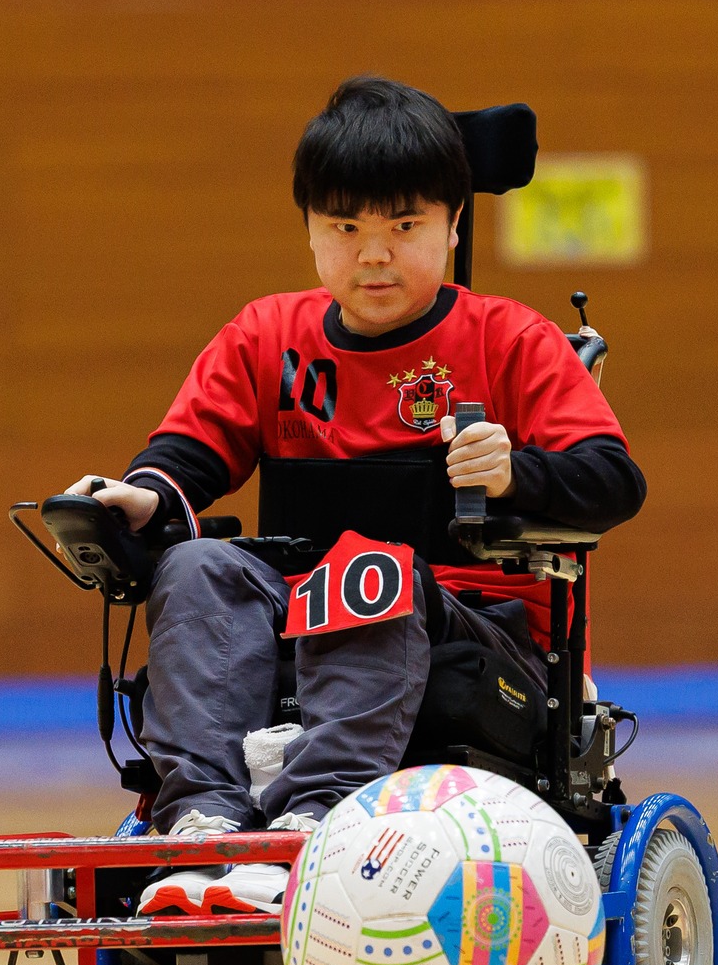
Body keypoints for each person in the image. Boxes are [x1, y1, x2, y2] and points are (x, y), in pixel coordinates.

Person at [62, 76, 645, 914]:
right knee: (192, 567)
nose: (374, 253)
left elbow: (615, 480)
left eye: (403, 227)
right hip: (303, 605)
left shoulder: (511, 339)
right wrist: (144, 498)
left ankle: (313, 817)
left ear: (451, 225)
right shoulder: (268, 335)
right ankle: (202, 825)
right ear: (309, 231)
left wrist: (517, 470)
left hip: (479, 629)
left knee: (368, 573)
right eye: (346, 228)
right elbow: (186, 453)